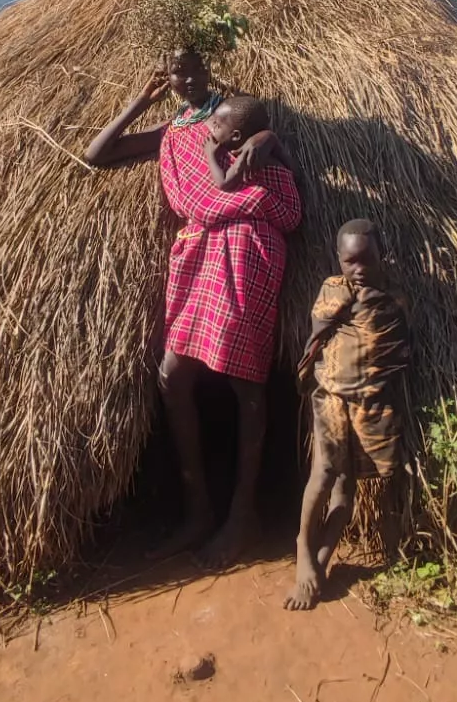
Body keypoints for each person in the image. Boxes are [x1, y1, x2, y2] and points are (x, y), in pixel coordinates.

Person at [85, 50, 301, 566]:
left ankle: (242, 517)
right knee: (172, 374)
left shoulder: (236, 122)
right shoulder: (175, 130)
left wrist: (266, 140)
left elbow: (285, 181)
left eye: (194, 69)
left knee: (246, 379)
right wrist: (142, 99)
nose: (186, 80)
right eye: (176, 71)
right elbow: (97, 153)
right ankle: (198, 509)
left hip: (246, 251)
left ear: (210, 70)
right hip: (199, 254)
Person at [284, 219, 410, 611]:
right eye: (349, 261)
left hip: (370, 405)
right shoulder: (333, 290)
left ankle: (322, 560)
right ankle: (304, 550)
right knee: (323, 474)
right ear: (339, 258)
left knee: (346, 488)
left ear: (380, 255)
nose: (358, 268)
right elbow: (317, 338)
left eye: (366, 259)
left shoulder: (393, 299)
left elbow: (399, 347)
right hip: (333, 399)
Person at [204, 94, 294, 189]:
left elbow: (223, 183)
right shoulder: (266, 147)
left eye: (217, 126)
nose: (212, 127)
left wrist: (210, 155)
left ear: (235, 136)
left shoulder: (247, 156)